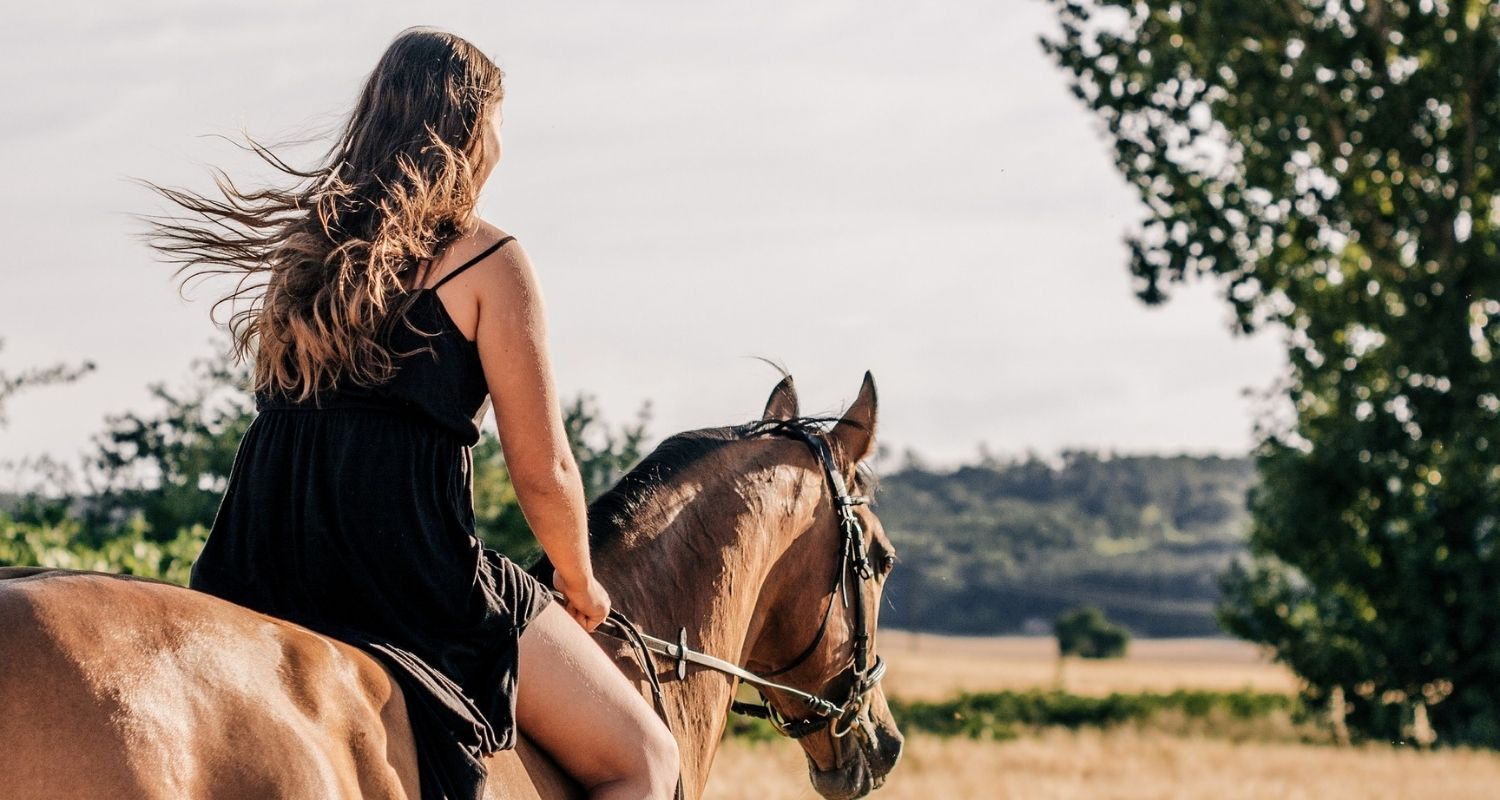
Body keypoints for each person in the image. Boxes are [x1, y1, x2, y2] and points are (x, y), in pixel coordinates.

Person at [134, 25, 680, 800]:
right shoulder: (487, 258)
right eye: (495, 120)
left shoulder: (305, 248)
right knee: (645, 760)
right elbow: (545, 469)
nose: (500, 141)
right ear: (468, 127)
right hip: (406, 573)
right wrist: (580, 580)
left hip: (261, 559)